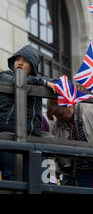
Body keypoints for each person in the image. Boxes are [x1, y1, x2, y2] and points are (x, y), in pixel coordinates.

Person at [0, 45, 56, 181]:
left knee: (37, 180)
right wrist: (43, 82)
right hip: (8, 138)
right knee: (12, 178)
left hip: (32, 140)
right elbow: (18, 81)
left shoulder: (39, 82)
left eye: (24, 60)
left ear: (32, 66)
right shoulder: (5, 76)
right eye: (17, 59)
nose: (19, 63)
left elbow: (57, 84)